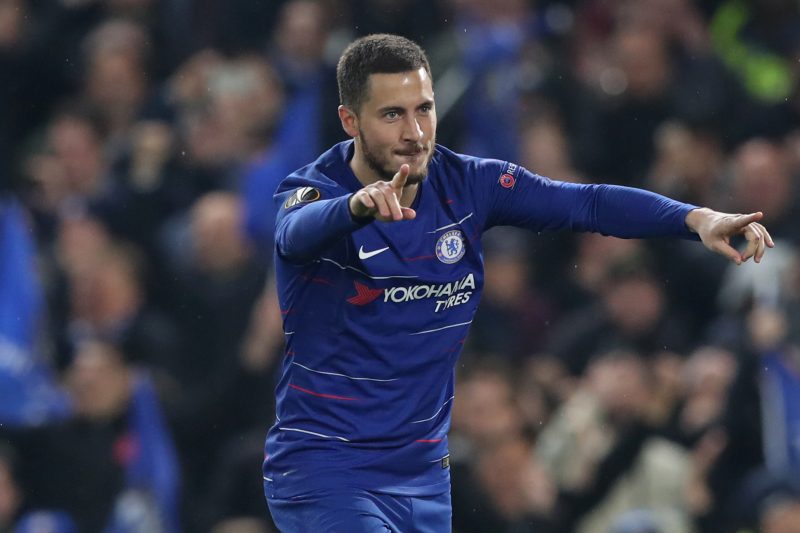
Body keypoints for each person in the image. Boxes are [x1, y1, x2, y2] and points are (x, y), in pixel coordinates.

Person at [262, 33, 774, 532]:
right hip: (326, 467)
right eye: (392, 114)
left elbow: (587, 203)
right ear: (350, 120)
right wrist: (354, 208)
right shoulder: (314, 190)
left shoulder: (469, 185)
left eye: (424, 109)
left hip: (421, 477)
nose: (415, 133)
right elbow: (294, 232)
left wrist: (696, 219)